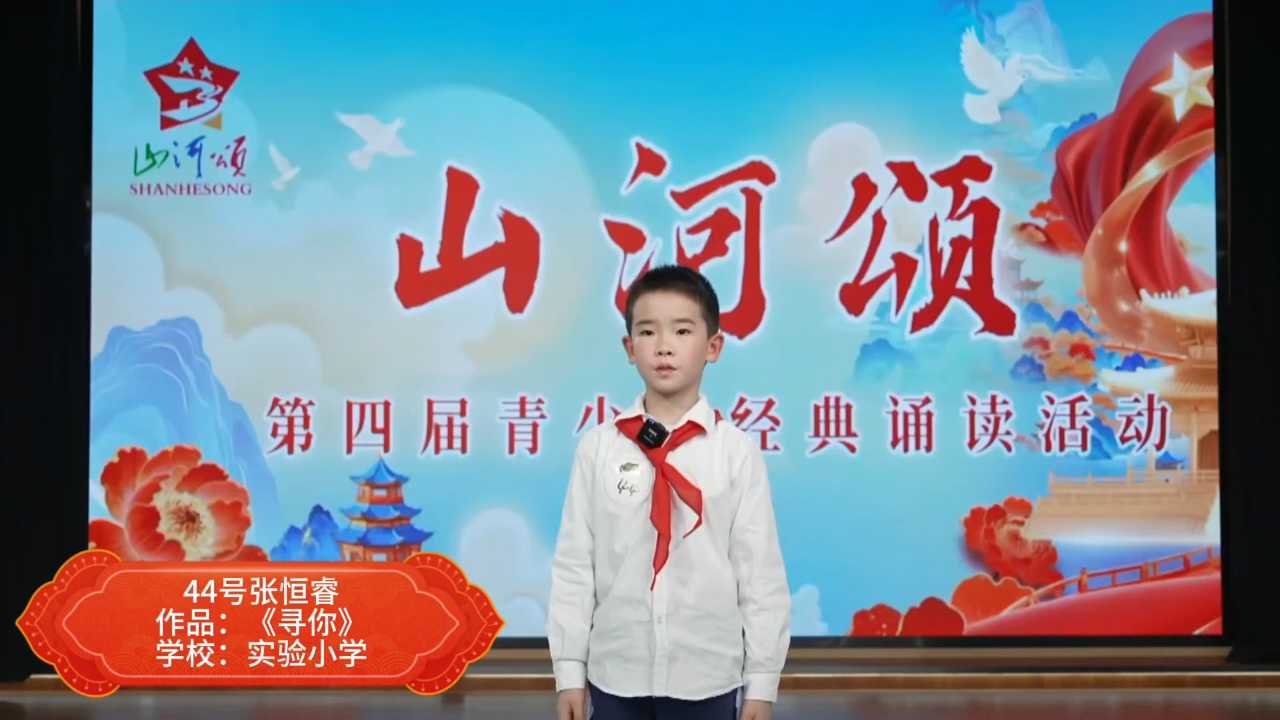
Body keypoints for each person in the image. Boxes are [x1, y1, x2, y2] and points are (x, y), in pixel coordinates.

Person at [547, 265, 790, 719]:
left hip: (707, 675)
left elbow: (760, 574)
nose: (663, 346)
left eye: (681, 330)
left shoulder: (735, 452)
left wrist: (761, 684)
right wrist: (569, 672)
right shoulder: (599, 447)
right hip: (616, 671)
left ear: (713, 346)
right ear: (629, 348)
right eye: (647, 331)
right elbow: (575, 565)